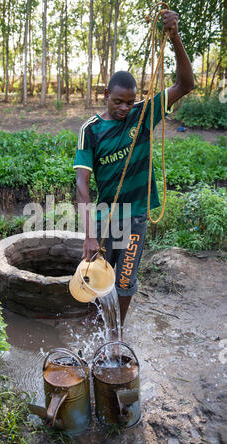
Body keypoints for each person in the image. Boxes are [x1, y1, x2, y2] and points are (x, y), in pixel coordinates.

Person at [73, 10, 194, 328]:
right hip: (104, 219)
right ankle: (94, 330)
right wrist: (88, 235)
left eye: (129, 102)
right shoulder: (92, 129)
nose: (125, 108)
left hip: (136, 217)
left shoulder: (144, 115)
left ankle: (116, 334)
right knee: (95, 276)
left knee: (126, 280)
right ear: (106, 96)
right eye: (118, 102)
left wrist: (174, 37)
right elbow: (82, 186)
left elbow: (186, 83)